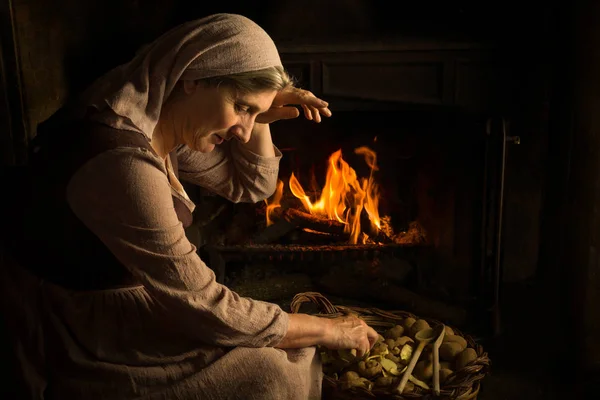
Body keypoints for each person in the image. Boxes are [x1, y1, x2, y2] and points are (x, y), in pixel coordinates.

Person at [0, 13, 379, 400]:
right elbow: (205, 305)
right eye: (241, 107)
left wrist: (259, 112)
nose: (243, 133)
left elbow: (251, 185)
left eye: (253, 114)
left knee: (290, 356)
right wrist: (327, 328)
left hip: (134, 308)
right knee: (274, 373)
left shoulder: (161, 129)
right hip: (84, 331)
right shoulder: (121, 163)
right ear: (194, 78)